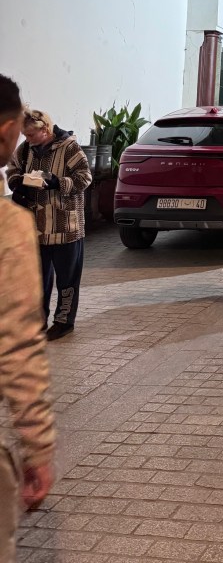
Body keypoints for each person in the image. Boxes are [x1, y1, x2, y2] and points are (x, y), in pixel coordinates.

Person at [0, 75, 56, 555]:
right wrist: (37, 445)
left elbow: (79, 180)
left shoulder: (68, 149)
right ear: (7, 131)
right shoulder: (6, 227)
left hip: (62, 226)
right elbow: (17, 344)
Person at [6, 108, 92, 341]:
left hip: (66, 228)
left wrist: (57, 183)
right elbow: (13, 170)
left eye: (31, 135)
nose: (27, 139)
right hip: (36, 229)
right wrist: (17, 187)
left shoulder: (70, 148)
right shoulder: (26, 150)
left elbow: (85, 177)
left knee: (67, 279)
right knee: (37, 280)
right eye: (25, 135)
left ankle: (64, 322)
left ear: (45, 129)